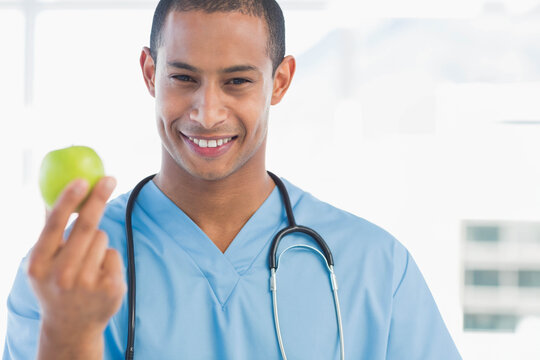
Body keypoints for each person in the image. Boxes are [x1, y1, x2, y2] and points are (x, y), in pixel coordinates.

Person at [3, 0, 462, 359]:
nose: (207, 113)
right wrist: (67, 335)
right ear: (150, 73)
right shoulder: (59, 277)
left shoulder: (375, 267)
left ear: (279, 81)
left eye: (237, 82)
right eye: (183, 77)